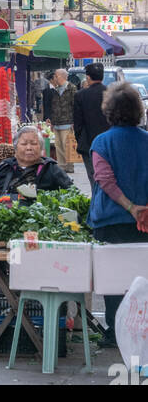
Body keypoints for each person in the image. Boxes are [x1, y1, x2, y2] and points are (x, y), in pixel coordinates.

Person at [87, 82, 148, 340]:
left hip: (110, 221)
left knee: (112, 281)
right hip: (144, 223)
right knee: (141, 279)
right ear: (138, 110)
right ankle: (141, 331)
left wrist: (130, 207)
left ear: (109, 112)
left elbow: (105, 181)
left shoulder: (102, 142)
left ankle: (115, 332)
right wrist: (140, 210)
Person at [0, 125, 72, 199]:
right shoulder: (4, 167)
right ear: (15, 148)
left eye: (34, 143)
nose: (29, 148)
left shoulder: (51, 169)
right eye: (24, 144)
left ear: (41, 147)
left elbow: (71, 193)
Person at [73, 62, 109, 189]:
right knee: (109, 177)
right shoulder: (111, 94)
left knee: (93, 177)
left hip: (88, 143)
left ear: (88, 78)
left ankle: (96, 204)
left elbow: (77, 123)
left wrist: (79, 139)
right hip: (109, 144)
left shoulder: (80, 95)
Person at [47, 67, 77, 173]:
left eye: (55, 76)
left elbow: (75, 106)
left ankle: (69, 166)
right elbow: (53, 106)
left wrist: (74, 121)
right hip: (56, 123)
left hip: (68, 122)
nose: (54, 78)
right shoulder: (55, 89)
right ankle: (62, 166)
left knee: (66, 145)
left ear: (60, 76)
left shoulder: (71, 88)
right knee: (58, 146)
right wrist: (51, 121)